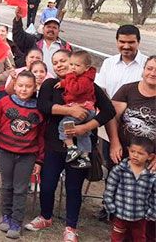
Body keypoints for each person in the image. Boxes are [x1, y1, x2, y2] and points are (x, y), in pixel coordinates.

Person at [25, 49, 116, 242]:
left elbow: (108, 110)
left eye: (64, 61)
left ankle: (71, 227)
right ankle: (45, 216)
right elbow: (43, 106)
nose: (59, 65)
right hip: (54, 146)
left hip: (81, 147)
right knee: (48, 185)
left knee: (74, 188)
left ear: (73, 62)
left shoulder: (90, 85)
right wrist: (71, 110)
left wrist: (87, 127)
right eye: (55, 62)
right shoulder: (52, 84)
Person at [0, 71, 45, 239]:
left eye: (28, 86)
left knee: (20, 189)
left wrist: (39, 159)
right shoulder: (4, 102)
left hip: (27, 155)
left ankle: (17, 221)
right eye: (21, 85)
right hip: (5, 151)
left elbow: (41, 137)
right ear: (15, 86)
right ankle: (6, 215)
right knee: (7, 185)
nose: (24, 89)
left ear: (35, 87)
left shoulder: (40, 108)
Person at [104, 136, 156, 242]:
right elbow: (109, 190)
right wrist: (111, 207)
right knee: (116, 238)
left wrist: (151, 213)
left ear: (150, 156)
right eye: (133, 151)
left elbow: (154, 196)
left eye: (140, 153)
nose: (135, 155)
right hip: (120, 214)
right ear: (128, 150)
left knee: (140, 238)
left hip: (140, 216)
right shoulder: (119, 170)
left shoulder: (152, 175)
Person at [109, 56, 156, 166]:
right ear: (143, 70)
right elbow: (111, 117)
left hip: (150, 160)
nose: (153, 73)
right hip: (123, 153)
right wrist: (114, 143)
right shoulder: (127, 90)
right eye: (149, 68)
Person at [55, 51, 97, 169]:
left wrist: (69, 76)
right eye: (72, 64)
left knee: (64, 125)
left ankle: (71, 148)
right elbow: (71, 84)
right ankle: (84, 155)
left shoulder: (86, 79)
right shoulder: (81, 77)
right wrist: (63, 83)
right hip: (86, 108)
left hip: (84, 109)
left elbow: (74, 89)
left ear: (86, 68)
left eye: (77, 66)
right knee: (83, 134)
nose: (73, 68)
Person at [12, 6, 71, 76]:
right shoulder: (33, 41)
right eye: (48, 27)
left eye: (54, 27)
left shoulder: (65, 46)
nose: (51, 30)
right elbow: (19, 36)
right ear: (43, 29)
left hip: (57, 84)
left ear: (58, 31)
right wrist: (18, 19)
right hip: (34, 81)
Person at [96, 25, 148, 98]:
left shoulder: (149, 65)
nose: (126, 46)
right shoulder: (108, 63)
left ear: (138, 42)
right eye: (122, 42)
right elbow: (100, 90)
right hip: (110, 108)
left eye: (131, 42)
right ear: (117, 41)